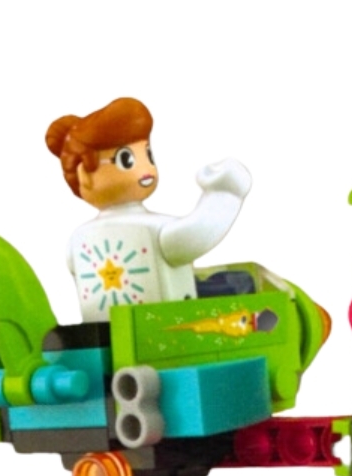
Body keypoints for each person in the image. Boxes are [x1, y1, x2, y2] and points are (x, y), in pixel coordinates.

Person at [45, 97, 252, 322]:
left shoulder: (76, 242)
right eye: (126, 159)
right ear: (84, 175)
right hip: (169, 323)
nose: (146, 168)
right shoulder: (154, 230)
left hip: (105, 330)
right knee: (241, 282)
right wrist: (225, 192)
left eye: (148, 154)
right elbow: (197, 233)